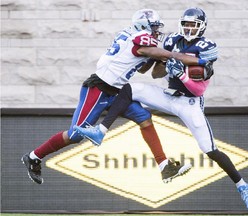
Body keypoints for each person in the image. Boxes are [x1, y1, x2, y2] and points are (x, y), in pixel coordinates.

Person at [74, 8, 248, 210]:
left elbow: (198, 88)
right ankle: (100, 131)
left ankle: (243, 186)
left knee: (210, 149)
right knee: (129, 88)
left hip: (190, 102)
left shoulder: (207, 47)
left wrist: (181, 74)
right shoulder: (171, 41)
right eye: (186, 24)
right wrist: (165, 63)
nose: (189, 28)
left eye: (193, 25)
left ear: (202, 27)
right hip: (168, 96)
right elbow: (155, 74)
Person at [21, 8, 210, 185]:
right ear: (144, 27)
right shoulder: (141, 40)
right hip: (98, 88)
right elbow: (167, 54)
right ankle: (33, 157)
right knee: (75, 135)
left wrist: (156, 58)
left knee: (144, 118)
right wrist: (198, 60)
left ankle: (164, 166)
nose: (156, 32)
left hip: (117, 91)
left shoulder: (136, 38)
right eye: (153, 28)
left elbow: (144, 68)